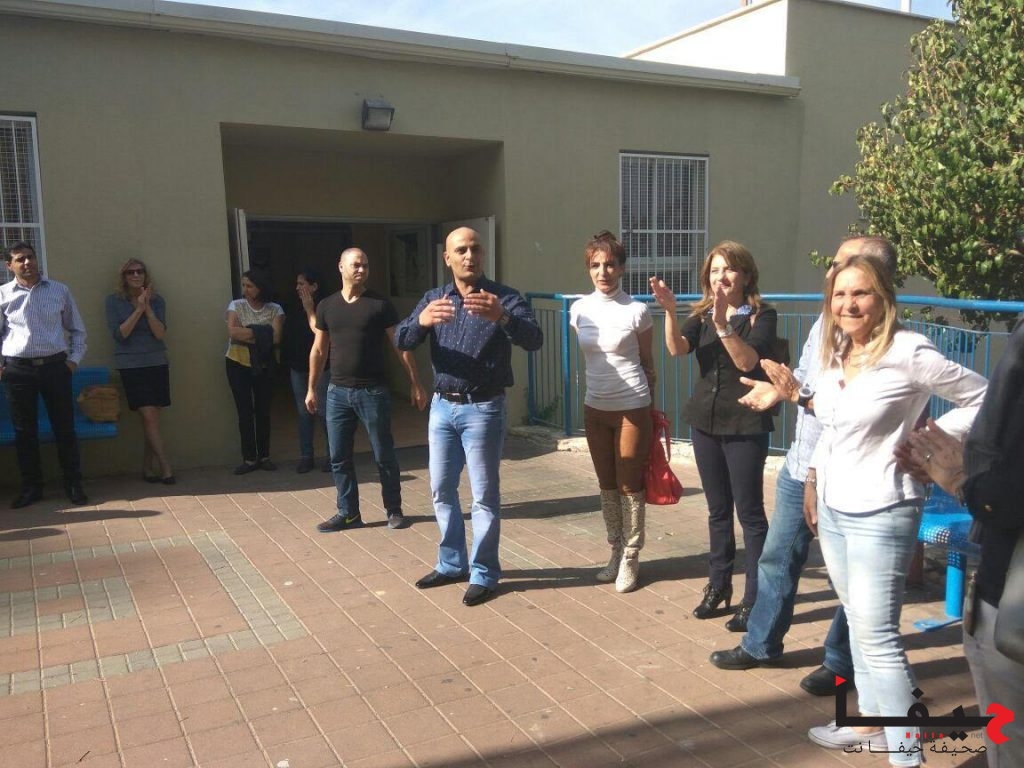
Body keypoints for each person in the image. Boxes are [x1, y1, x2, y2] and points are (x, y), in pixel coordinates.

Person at [804, 255, 986, 765]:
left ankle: (907, 754)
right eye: (840, 295)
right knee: (858, 623)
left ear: (883, 298)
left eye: (860, 293)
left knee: (878, 636)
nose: (848, 304)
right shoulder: (840, 349)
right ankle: (875, 722)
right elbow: (832, 426)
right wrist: (814, 480)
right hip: (835, 507)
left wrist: (933, 439)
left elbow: (984, 396)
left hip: (883, 508)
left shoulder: (908, 351)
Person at [708, 236, 896, 695]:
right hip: (802, 463)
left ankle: (841, 663)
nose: (833, 276)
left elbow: (848, 415)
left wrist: (798, 401)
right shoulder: (824, 323)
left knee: (852, 579)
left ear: (877, 281)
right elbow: (809, 385)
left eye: (845, 267)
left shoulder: (891, 346)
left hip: (850, 477)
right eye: (834, 266)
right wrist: (779, 391)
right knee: (776, 558)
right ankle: (760, 644)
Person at [898, 321, 1024, 768]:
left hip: (1009, 602)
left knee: (1010, 742)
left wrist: (958, 477)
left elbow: (1004, 494)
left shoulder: (911, 350)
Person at [396, 227, 543, 607]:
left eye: (475, 248)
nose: (469, 256)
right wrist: (421, 322)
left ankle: (484, 573)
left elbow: (534, 339)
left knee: (483, 497)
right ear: (447, 258)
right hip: (442, 407)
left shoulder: (504, 297)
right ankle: (451, 564)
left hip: (483, 409)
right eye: (460, 250)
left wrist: (503, 318)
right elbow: (402, 340)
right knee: (441, 490)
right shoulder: (434, 299)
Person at [650, 241, 775, 632]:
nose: (722, 276)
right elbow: (677, 349)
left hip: (745, 424)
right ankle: (719, 585)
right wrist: (670, 312)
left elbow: (748, 362)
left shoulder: (762, 315)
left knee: (750, 514)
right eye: (716, 270)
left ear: (746, 276)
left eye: (730, 269)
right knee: (718, 510)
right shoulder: (703, 313)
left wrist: (723, 325)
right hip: (705, 421)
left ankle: (755, 597)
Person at [307, 248, 427, 532]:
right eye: (356, 265)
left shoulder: (379, 305)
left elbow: (400, 345)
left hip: (373, 393)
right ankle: (348, 513)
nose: (362, 270)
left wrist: (415, 382)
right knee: (338, 456)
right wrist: (311, 388)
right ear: (341, 267)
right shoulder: (327, 306)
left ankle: (394, 509)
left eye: (366, 266)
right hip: (337, 393)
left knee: (383, 453)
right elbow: (319, 350)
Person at [570, 231, 655, 593]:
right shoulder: (579, 310)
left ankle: (632, 556)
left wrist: (652, 409)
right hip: (595, 407)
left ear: (621, 268)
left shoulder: (637, 311)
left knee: (629, 485)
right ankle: (615, 551)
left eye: (610, 264)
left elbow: (648, 363)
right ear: (589, 269)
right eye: (596, 265)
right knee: (606, 485)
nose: (603, 272)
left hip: (632, 407)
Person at [0, 241, 88, 507]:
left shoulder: (59, 290)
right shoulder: (3, 294)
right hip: (18, 371)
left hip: (55, 368)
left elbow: (77, 330)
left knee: (64, 428)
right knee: (24, 431)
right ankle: (32, 487)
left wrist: (72, 362)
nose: (27, 262)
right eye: (20, 259)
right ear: (9, 265)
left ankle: (73, 484)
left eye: (30, 257)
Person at [105, 259, 174, 484]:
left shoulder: (157, 300)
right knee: (149, 416)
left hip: (156, 361)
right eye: (130, 272)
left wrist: (148, 308)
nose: (136, 275)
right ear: (124, 277)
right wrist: (138, 309)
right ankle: (166, 468)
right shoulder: (113, 301)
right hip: (131, 365)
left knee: (151, 421)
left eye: (140, 271)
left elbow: (160, 333)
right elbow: (121, 334)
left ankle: (147, 468)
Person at [225, 269, 283, 474]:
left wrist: (248, 331)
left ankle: (264, 456)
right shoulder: (236, 305)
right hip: (237, 363)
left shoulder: (275, 309)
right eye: (243, 285)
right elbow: (232, 332)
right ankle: (249, 458)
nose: (245, 290)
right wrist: (263, 333)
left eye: (249, 286)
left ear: (261, 287)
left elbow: (276, 338)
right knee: (245, 411)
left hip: (265, 364)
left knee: (263, 410)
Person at [283, 268, 329, 474]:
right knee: (304, 413)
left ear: (314, 286)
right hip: (298, 367)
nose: (297, 288)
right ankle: (306, 456)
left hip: (321, 367)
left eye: (302, 284)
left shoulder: (324, 306)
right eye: (297, 284)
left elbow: (319, 334)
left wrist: (310, 309)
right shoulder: (293, 308)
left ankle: (332, 456)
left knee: (325, 412)